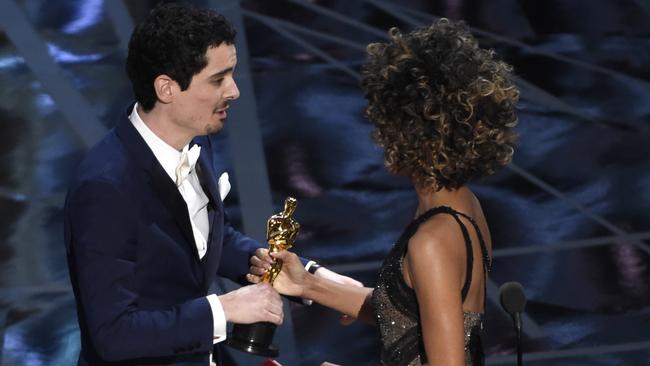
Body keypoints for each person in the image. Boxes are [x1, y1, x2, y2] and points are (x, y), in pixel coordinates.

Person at [63, 3, 355, 366]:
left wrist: (317, 279)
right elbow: (113, 335)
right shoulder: (105, 187)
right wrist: (223, 309)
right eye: (218, 79)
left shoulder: (197, 140)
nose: (233, 91)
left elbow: (205, 238)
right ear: (167, 88)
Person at [248, 18, 519, 366]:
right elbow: (410, 316)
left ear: (406, 133)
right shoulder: (462, 206)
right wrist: (308, 284)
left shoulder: (432, 240)